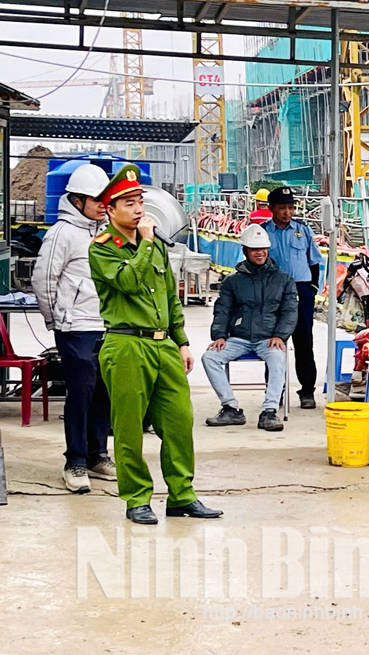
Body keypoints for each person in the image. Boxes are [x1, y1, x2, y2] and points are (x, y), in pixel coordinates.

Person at [89, 164, 222, 525]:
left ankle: (182, 495)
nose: (138, 209)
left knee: (179, 421)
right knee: (129, 427)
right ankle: (136, 497)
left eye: (140, 201)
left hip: (163, 345)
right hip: (126, 344)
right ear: (110, 210)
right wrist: (146, 243)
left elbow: (170, 298)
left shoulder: (157, 246)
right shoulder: (103, 250)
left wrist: (181, 341)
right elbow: (128, 282)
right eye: (129, 203)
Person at [31, 163, 117, 494]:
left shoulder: (106, 232)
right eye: (96, 199)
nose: (102, 204)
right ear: (77, 200)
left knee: (104, 392)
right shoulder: (62, 233)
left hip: (106, 325)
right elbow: (44, 280)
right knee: (81, 394)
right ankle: (76, 461)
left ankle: (98, 454)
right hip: (75, 327)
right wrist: (56, 320)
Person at [202, 223, 298, 432]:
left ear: (268, 249)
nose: (259, 253)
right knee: (209, 357)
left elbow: (290, 311)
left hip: (269, 339)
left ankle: (269, 411)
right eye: (254, 249)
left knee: (278, 358)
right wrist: (219, 335)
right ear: (245, 251)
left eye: (263, 248)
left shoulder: (283, 280)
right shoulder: (232, 281)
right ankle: (231, 408)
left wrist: (280, 335)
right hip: (239, 338)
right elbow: (222, 310)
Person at [263, 185, 322, 409]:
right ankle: (275, 391)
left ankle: (307, 391)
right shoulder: (263, 232)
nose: (287, 212)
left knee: (304, 341)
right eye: (282, 207)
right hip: (273, 292)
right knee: (274, 343)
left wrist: (312, 288)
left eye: (290, 207)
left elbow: (314, 261)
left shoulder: (303, 230)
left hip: (301, 290)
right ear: (271, 208)